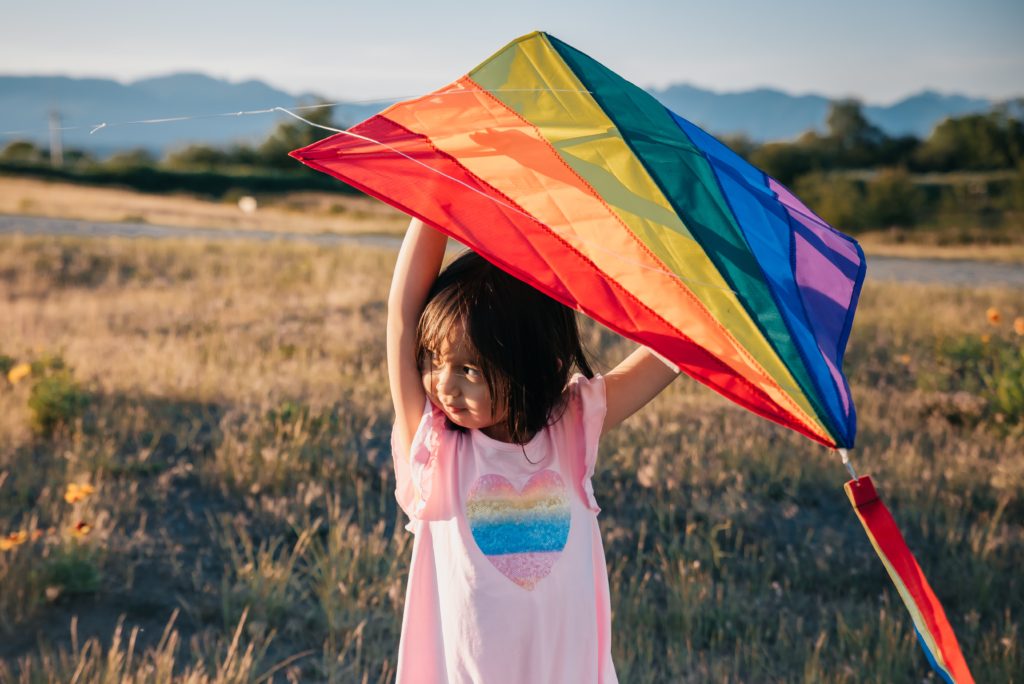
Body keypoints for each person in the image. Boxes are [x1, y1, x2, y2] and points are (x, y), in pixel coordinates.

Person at [387, 218, 679, 683]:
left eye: (469, 369)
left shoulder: (570, 428)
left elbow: (667, 352)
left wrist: (705, 300)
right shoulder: (435, 447)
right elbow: (402, 318)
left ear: (540, 365)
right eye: (433, 359)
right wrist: (431, 202)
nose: (443, 385)